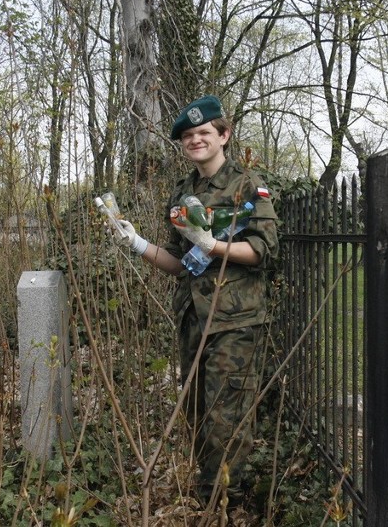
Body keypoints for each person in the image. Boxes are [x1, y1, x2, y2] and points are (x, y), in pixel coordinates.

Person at [110, 95, 279, 509]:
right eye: (188, 136)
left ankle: (223, 503)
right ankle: (214, 497)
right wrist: (136, 243)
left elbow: (263, 251)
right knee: (199, 415)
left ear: (224, 135)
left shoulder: (247, 185)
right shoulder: (183, 192)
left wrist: (214, 244)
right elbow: (180, 264)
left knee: (227, 418)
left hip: (234, 321)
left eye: (204, 133)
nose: (195, 140)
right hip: (193, 319)